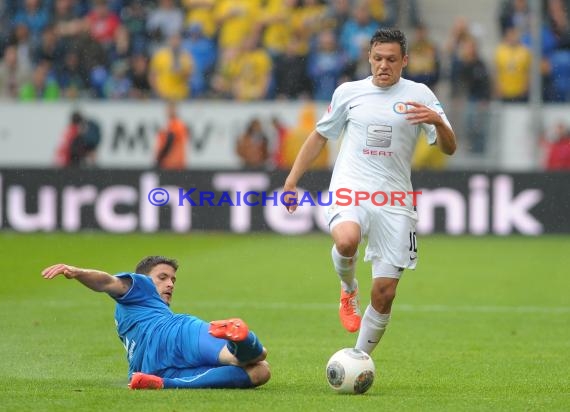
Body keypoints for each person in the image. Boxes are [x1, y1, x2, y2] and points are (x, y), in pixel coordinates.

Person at [282, 28, 456, 355]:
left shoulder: (420, 94)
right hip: (352, 187)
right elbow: (320, 136)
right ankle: (348, 289)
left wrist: (439, 122)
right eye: (377, 58)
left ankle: (358, 357)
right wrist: (292, 180)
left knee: (386, 292)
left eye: (391, 59)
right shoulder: (349, 92)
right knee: (346, 239)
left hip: (394, 200)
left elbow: (449, 148)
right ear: (369, 58)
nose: (383, 65)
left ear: (404, 61)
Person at [41, 256, 270, 390]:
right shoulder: (140, 286)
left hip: (148, 367)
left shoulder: (129, 309)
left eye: (173, 279)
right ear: (142, 278)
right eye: (163, 277)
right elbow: (106, 282)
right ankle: (241, 338)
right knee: (257, 355)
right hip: (173, 333)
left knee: (260, 373)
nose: (170, 284)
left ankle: (164, 383)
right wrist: (78, 272)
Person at [155, 101, 189, 170]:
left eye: (169, 109)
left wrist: (160, 158)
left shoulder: (176, 125)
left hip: (173, 163)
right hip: (172, 163)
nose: (167, 111)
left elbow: (169, 141)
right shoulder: (172, 124)